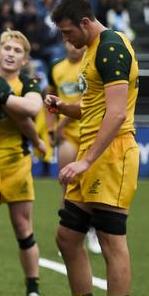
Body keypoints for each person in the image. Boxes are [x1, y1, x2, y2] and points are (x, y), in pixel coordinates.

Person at [45, 0, 139, 296]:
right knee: (67, 237)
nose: (67, 40)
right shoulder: (94, 48)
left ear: (85, 22)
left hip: (112, 157)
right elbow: (96, 106)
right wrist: (64, 107)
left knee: (112, 243)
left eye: (69, 32)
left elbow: (115, 115)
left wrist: (85, 161)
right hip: (93, 154)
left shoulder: (111, 47)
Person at [0, 30, 46, 296]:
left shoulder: (28, 83)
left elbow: (31, 108)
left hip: (17, 163)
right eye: (7, 48)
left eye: (17, 50)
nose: (11, 53)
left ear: (25, 59)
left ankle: (33, 290)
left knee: (23, 228)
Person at [46, 40, 102, 254]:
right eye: (67, 42)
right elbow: (49, 100)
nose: (73, 46)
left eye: (75, 42)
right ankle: (68, 233)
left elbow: (86, 99)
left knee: (94, 185)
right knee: (68, 186)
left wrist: (61, 123)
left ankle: (93, 232)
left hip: (91, 132)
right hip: (68, 137)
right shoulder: (56, 68)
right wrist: (51, 130)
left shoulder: (90, 65)